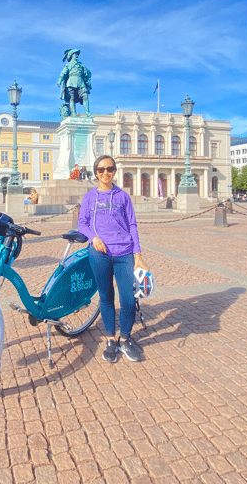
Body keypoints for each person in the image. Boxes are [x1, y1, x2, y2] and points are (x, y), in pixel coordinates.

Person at [78, 155, 149, 363]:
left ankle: (125, 338)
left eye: (109, 169)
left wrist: (138, 255)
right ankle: (110, 339)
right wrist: (94, 237)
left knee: (128, 299)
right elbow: (82, 223)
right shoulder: (89, 197)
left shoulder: (122, 196)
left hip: (124, 252)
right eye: (101, 170)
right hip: (99, 254)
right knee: (106, 297)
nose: (105, 173)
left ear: (115, 171)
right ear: (96, 173)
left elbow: (132, 225)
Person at [57, 49, 92, 118]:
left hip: (80, 82)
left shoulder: (81, 65)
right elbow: (63, 73)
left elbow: (87, 73)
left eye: (77, 55)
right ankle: (74, 113)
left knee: (85, 96)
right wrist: (59, 81)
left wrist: (87, 76)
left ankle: (87, 113)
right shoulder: (68, 65)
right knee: (71, 98)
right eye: (75, 55)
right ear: (71, 56)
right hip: (71, 82)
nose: (77, 56)